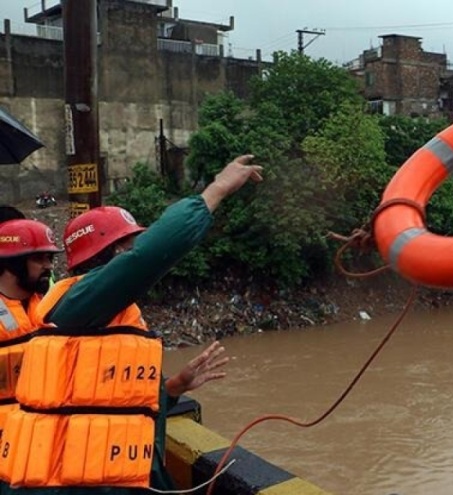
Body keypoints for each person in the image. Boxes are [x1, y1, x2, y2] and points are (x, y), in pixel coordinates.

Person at [1, 155, 264, 494]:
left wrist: (174, 387)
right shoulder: (79, 303)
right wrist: (216, 191)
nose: (133, 250)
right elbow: (148, 257)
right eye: (126, 246)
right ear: (106, 258)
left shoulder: (97, 311)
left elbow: (100, 396)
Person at [0, 218, 63, 495]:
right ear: (11, 264)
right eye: (39, 258)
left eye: (50, 258)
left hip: (48, 439)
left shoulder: (53, 305)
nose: (48, 266)